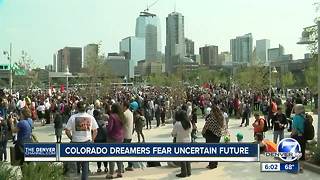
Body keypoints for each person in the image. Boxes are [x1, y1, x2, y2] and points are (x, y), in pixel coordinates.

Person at [65, 101, 98, 180]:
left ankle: (74, 176)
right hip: (87, 142)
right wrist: (92, 140)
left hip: (75, 142)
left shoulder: (72, 117)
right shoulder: (90, 117)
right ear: (85, 108)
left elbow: (67, 130)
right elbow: (95, 130)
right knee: (85, 163)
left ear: (77, 108)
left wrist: (71, 138)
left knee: (74, 163)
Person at [172, 104, 192, 178]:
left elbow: (173, 134)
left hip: (180, 141)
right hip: (188, 141)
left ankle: (183, 172)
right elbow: (190, 131)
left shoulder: (177, 124)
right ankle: (189, 171)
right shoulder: (189, 123)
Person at [106, 103, 125, 179]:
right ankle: (120, 172)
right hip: (120, 137)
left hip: (112, 138)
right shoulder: (121, 116)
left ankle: (111, 173)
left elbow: (110, 128)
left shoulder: (112, 116)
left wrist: (106, 126)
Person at [202, 104, 224, 169]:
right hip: (218, 135)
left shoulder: (211, 119)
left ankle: (211, 165)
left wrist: (203, 133)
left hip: (210, 136)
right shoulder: (221, 118)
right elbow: (223, 127)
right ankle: (215, 163)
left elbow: (205, 127)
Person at [291, 104, 306, 173]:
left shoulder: (296, 117)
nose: (294, 110)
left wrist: (291, 136)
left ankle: (294, 168)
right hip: (303, 137)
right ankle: (301, 168)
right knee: (302, 152)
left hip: (297, 137)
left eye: (295, 109)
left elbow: (294, 129)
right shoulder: (305, 117)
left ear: (300, 110)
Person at [93, 109, 108, 173]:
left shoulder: (93, 122)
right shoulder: (102, 122)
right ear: (98, 115)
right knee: (104, 154)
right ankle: (106, 167)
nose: (101, 115)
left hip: (96, 140)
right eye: (100, 114)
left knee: (98, 155)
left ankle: (99, 168)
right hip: (103, 140)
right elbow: (105, 131)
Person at [123, 101, 134, 171]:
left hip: (125, 135)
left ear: (125, 106)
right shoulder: (130, 113)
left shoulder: (125, 114)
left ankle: (122, 166)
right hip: (129, 134)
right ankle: (130, 165)